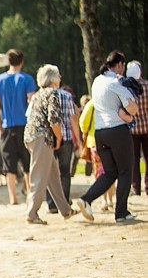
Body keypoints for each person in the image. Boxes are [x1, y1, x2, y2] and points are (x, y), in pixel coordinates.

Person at [75, 50, 138, 223]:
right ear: (119, 65)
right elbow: (132, 109)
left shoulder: (97, 81)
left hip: (100, 133)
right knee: (125, 171)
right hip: (117, 130)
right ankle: (121, 212)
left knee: (110, 172)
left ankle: (86, 199)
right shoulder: (117, 82)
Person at [23, 65, 78, 224]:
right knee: (39, 176)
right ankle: (32, 213)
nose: (60, 78)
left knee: (53, 174)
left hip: (31, 136)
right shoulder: (52, 94)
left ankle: (65, 209)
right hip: (42, 138)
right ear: (53, 79)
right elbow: (54, 121)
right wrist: (59, 138)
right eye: (58, 76)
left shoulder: (37, 95)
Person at [0, 49, 38, 205]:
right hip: (25, 126)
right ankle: (31, 194)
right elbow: (32, 102)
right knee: (27, 162)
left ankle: (13, 198)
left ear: (8, 62)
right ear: (22, 61)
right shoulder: (27, 79)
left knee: (9, 164)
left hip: (7, 126)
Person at [45, 85, 81, 213]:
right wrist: (78, 139)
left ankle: (51, 204)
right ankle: (64, 203)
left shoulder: (41, 95)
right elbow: (73, 119)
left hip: (48, 139)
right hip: (66, 138)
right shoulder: (67, 96)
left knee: (49, 172)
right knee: (65, 172)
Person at [80, 97, 114, 210]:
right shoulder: (112, 100)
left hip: (95, 141)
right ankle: (110, 199)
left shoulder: (92, 104)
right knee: (111, 170)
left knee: (100, 172)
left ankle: (103, 200)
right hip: (111, 140)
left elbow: (83, 124)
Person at [127, 60, 148, 196]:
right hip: (147, 127)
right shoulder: (147, 85)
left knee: (133, 159)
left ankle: (136, 188)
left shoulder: (127, 87)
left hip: (132, 128)